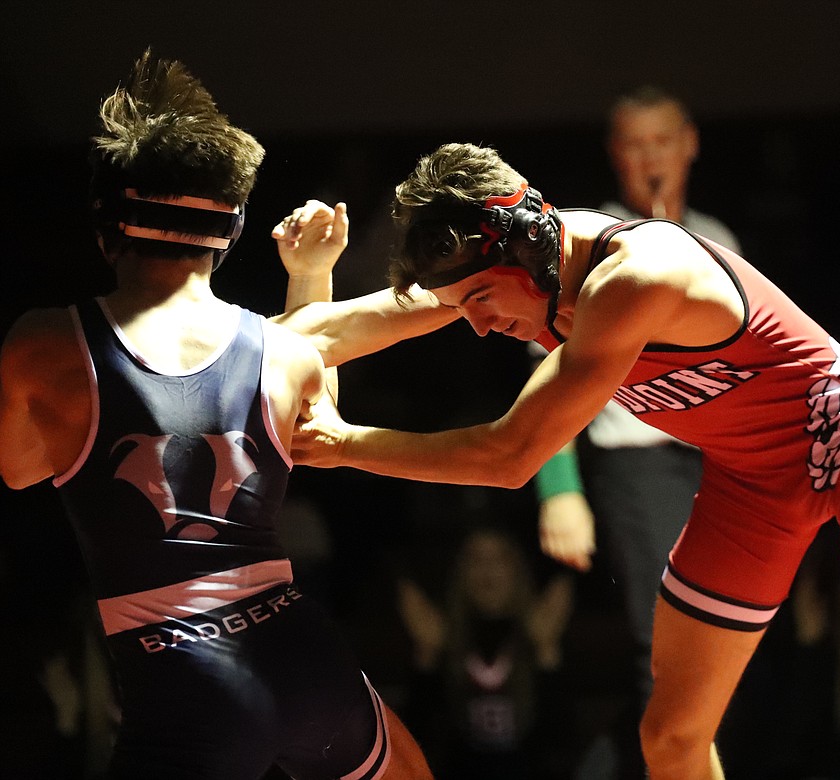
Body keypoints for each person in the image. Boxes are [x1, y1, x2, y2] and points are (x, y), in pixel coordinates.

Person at [278, 142, 840, 779]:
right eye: (460, 311)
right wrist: (307, 278)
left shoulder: (637, 275)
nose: (478, 328)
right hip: (751, 480)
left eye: (479, 301)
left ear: (525, 246)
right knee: (673, 738)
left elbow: (510, 454)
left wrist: (342, 445)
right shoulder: (516, 272)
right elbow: (325, 337)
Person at [0, 51, 432, 779]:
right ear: (228, 231)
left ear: (108, 226)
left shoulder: (45, 345)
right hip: (299, 652)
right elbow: (313, 437)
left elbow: (19, 470)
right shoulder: (283, 353)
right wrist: (309, 277)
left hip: (178, 677)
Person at [531, 85, 739, 775]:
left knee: (721, 647)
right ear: (615, 154)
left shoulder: (718, 238)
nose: (651, 157)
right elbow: (551, 373)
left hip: (718, 463)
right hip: (639, 463)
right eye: (635, 143)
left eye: (663, 140)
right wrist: (560, 488)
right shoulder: (595, 240)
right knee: (672, 649)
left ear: (691, 144)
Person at [397, 524, 575, 779]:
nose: (487, 569)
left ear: (518, 568)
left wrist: (548, 656)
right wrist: (426, 657)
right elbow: (421, 743)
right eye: (475, 559)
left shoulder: (537, 631)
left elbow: (561, 747)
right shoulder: (443, 636)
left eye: (499, 557)